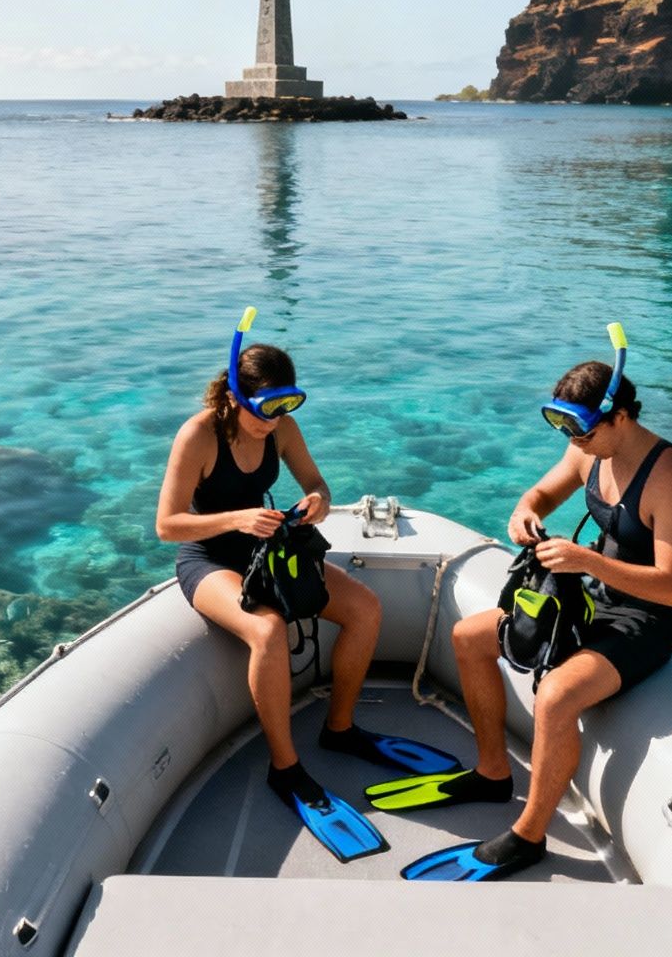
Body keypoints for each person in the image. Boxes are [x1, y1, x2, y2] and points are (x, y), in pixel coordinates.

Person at [381, 324, 672, 881]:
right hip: (590, 597)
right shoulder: (590, 454)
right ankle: (491, 772)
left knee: (555, 697)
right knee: (467, 638)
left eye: (579, 428)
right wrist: (523, 514)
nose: (571, 438)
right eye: (560, 424)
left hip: (645, 619)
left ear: (620, 418)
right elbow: (538, 493)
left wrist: (589, 562)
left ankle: (529, 836)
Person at [155, 307, 453, 860]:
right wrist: (237, 518)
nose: (276, 418)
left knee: (363, 606)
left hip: (268, 550)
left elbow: (316, 481)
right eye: (267, 407)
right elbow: (167, 525)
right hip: (209, 558)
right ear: (236, 398)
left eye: (287, 404)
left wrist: (317, 501)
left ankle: (339, 729)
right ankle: (286, 768)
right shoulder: (198, 434)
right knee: (266, 632)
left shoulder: (281, 429)